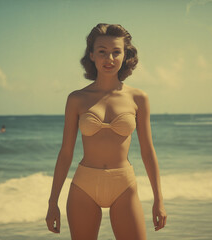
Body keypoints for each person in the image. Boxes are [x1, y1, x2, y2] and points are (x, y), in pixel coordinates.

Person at [46, 23, 167, 240]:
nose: (109, 59)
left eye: (116, 52)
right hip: (84, 185)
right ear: (91, 55)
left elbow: (148, 152)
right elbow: (65, 153)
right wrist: (52, 202)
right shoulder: (76, 99)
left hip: (123, 184)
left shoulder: (138, 98)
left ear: (125, 55)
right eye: (102, 52)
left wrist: (159, 199)